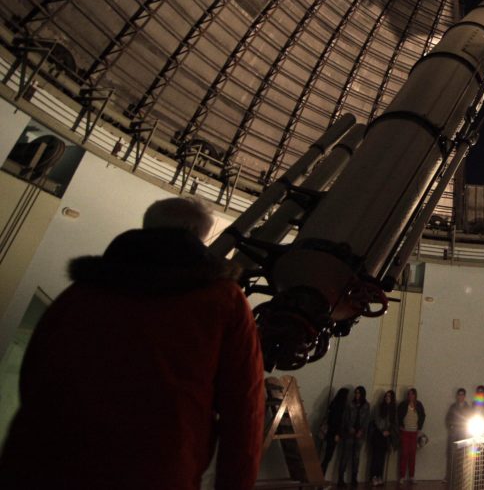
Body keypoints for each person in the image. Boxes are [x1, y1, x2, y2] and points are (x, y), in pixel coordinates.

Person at [0, 197, 265, 490]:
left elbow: (35, 372)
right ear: (196, 230)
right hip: (156, 470)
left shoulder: (82, 292)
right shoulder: (223, 300)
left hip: (44, 464)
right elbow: (244, 408)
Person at [339, 385, 371, 486]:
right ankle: (340, 478)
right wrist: (349, 428)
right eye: (356, 393)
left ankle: (354, 478)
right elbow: (345, 418)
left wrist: (361, 430)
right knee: (345, 456)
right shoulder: (350, 404)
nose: (357, 395)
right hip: (349, 433)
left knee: (356, 457)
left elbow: (366, 420)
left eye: (358, 393)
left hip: (359, 434)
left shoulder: (366, 406)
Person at [369, 390, 397, 486]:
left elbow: (394, 423)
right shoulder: (379, 407)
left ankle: (379, 475)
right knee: (376, 457)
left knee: (382, 458)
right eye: (386, 396)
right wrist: (382, 430)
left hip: (386, 436)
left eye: (389, 396)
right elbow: (376, 420)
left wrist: (389, 431)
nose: (387, 398)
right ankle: (373, 476)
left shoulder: (393, 410)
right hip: (378, 434)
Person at [398, 387, 425, 483]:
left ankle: (412, 476)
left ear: (415, 395)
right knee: (404, 453)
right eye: (409, 394)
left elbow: (423, 415)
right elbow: (398, 415)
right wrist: (400, 425)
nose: (410, 396)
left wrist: (420, 427)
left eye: (412, 394)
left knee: (412, 455)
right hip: (405, 431)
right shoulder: (403, 404)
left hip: (414, 432)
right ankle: (402, 476)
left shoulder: (419, 405)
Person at [445, 388, 471, 481]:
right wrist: (451, 426)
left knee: (462, 455)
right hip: (454, 432)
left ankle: (461, 477)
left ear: (464, 396)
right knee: (452, 455)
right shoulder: (453, 406)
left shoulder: (467, 407)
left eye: (462, 395)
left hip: (463, 433)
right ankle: (450, 476)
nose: (460, 396)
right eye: (459, 394)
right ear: (457, 396)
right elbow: (448, 418)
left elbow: (470, 418)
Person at [322, 387, 351, 473]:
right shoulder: (341, 408)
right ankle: (321, 477)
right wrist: (337, 434)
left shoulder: (333, 404)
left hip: (329, 432)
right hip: (334, 434)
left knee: (326, 456)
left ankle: (320, 476)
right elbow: (338, 422)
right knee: (328, 457)